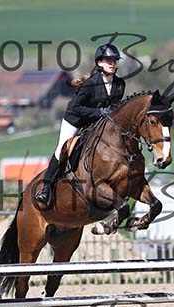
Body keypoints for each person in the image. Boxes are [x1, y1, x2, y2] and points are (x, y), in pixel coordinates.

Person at [34, 43, 126, 206]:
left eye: (114, 60)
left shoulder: (119, 84)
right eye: (108, 60)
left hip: (96, 122)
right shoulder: (90, 84)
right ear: (99, 62)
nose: (112, 63)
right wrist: (99, 112)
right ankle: (46, 188)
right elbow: (76, 107)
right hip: (75, 119)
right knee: (62, 148)